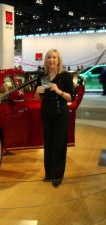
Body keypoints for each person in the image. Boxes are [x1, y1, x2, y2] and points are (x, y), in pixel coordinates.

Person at [35, 49, 76, 188]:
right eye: (49, 57)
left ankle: (57, 176)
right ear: (45, 60)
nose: (51, 60)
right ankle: (49, 174)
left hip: (61, 115)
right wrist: (37, 92)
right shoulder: (42, 76)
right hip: (46, 114)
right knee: (49, 145)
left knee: (59, 145)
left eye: (54, 57)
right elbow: (38, 99)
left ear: (58, 60)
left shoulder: (64, 76)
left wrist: (58, 90)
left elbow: (72, 97)